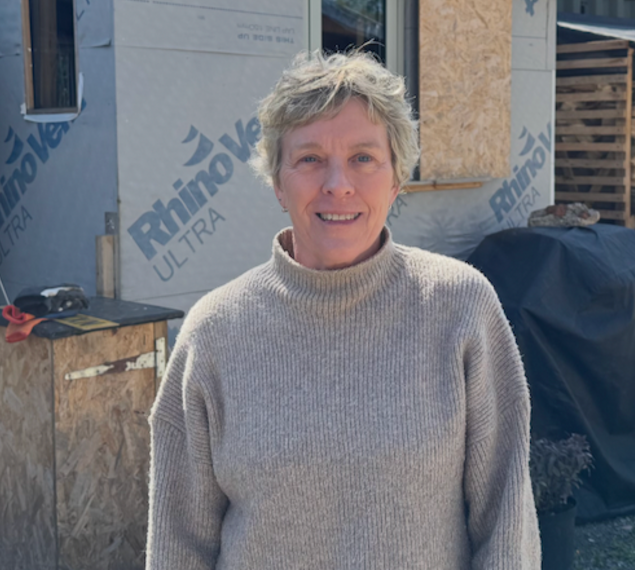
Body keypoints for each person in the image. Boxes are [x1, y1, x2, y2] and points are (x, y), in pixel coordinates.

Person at [146, 50, 540, 569]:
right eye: (309, 158)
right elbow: (178, 546)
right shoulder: (214, 334)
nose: (338, 184)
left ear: (397, 180)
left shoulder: (460, 307)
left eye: (363, 158)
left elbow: (506, 522)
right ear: (278, 181)